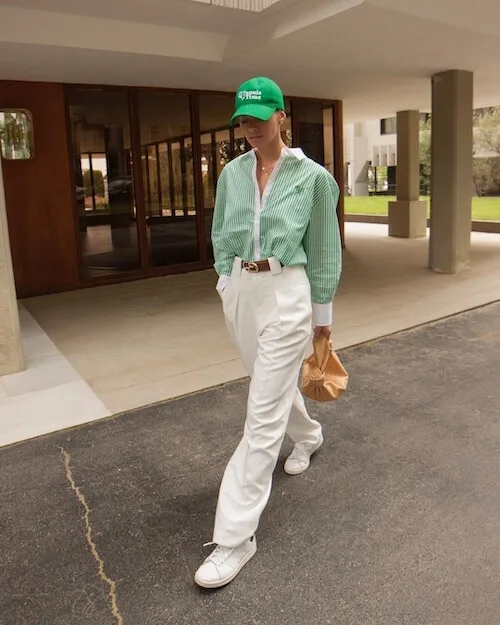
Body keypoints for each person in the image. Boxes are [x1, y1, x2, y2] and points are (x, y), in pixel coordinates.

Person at [194, 76, 342, 589]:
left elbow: (324, 248)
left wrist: (322, 318)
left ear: (282, 116)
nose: (250, 128)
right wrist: (223, 281)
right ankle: (309, 434)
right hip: (240, 288)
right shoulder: (232, 174)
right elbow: (221, 229)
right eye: (242, 119)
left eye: (259, 117)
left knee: (260, 414)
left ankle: (235, 536)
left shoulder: (313, 178)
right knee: (269, 387)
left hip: (288, 291)